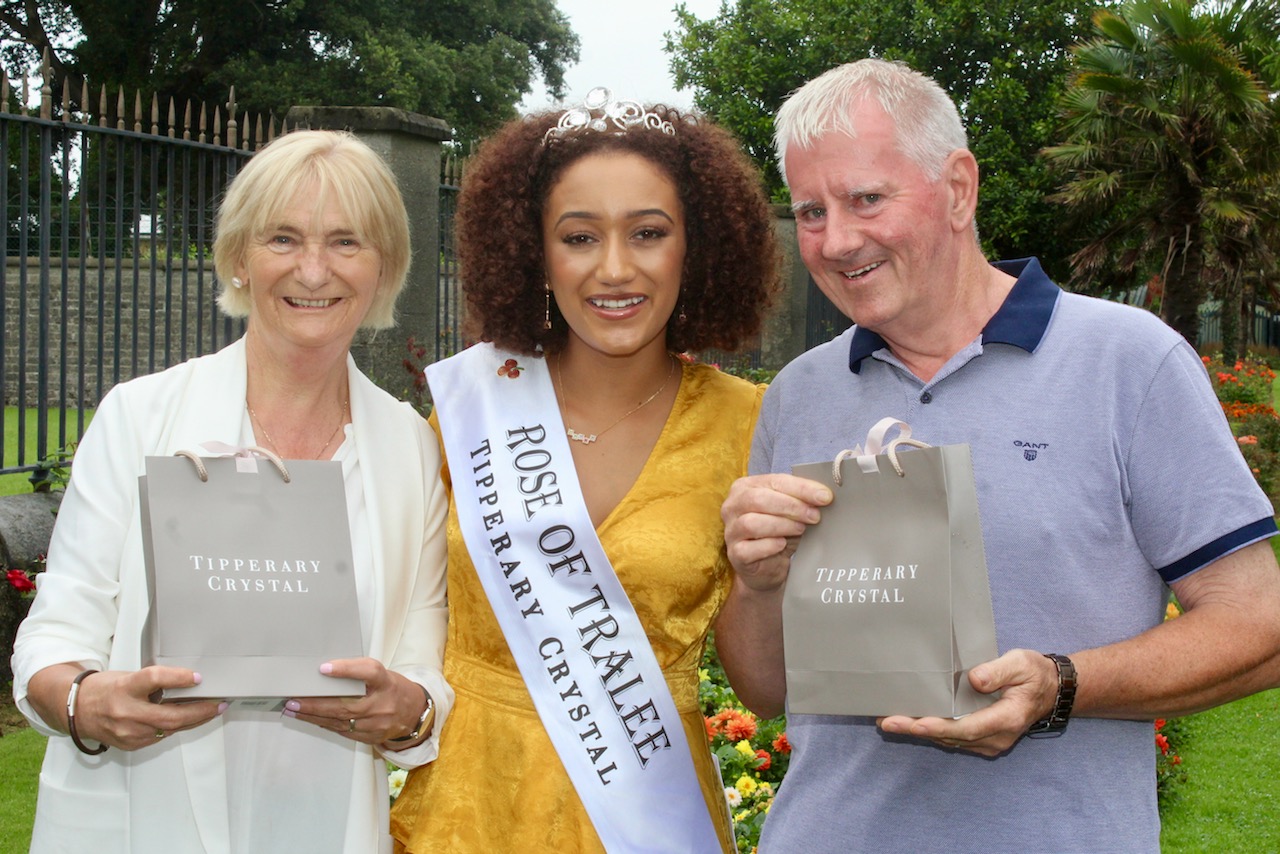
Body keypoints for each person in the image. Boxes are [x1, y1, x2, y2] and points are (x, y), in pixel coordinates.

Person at [717, 59, 1280, 853]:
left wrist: (1061, 687)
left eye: (866, 199)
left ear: (957, 188)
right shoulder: (799, 393)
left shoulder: (1127, 361)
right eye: (810, 211)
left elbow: (1261, 623)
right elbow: (764, 689)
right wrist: (757, 583)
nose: (837, 240)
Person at [11, 130, 452, 854]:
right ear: (240, 257)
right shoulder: (140, 416)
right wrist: (86, 704)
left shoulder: (411, 449)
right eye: (283, 238)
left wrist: (411, 714)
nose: (313, 271)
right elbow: (56, 634)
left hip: (326, 825)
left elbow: (422, 666)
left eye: (347, 242)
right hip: (134, 821)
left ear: (385, 268)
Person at [389, 88, 778, 853]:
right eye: (578, 237)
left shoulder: (750, 425)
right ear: (534, 252)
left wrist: (767, 579)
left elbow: (765, 690)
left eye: (648, 233)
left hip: (647, 820)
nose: (614, 268)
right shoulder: (469, 413)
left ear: (694, 249)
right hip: (465, 816)